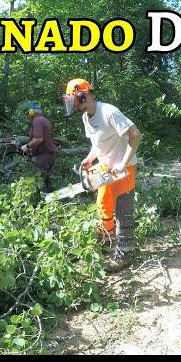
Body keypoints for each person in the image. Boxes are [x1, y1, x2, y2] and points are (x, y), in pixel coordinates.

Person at [63, 78, 142, 272]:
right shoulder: (85, 118)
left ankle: (124, 255)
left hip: (124, 169)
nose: (73, 103)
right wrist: (89, 159)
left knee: (123, 212)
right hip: (106, 169)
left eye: (74, 98)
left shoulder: (108, 112)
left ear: (83, 95)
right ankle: (107, 240)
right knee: (103, 205)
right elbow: (96, 145)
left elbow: (135, 134)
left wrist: (123, 162)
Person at [20, 102, 58, 192]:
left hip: (44, 156)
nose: (28, 116)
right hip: (51, 155)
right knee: (47, 182)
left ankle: (41, 202)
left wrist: (27, 146)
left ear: (31, 112)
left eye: (28, 113)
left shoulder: (37, 121)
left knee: (39, 182)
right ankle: (51, 201)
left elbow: (39, 139)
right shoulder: (45, 120)